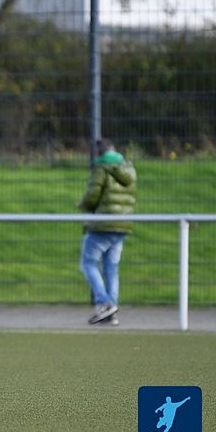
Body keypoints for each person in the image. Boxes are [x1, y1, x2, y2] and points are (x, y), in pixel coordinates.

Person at [78, 138, 137, 326]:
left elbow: (93, 195)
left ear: (98, 153)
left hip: (103, 223)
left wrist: (83, 204)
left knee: (88, 262)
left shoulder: (101, 167)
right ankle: (112, 310)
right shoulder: (128, 168)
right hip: (122, 224)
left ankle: (104, 303)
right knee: (111, 268)